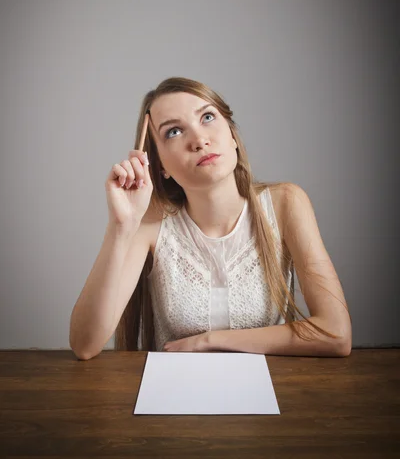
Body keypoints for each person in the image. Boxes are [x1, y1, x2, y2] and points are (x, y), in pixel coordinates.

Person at [69, 76, 352, 359]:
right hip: (174, 395)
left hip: (266, 393)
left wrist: (209, 341)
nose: (199, 140)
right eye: (173, 132)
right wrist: (121, 227)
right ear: (160, 165)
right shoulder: (153, 222)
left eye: (207, 117)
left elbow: (335, 333)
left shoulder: (286, 203)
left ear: (232, 136)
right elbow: (84, 345)